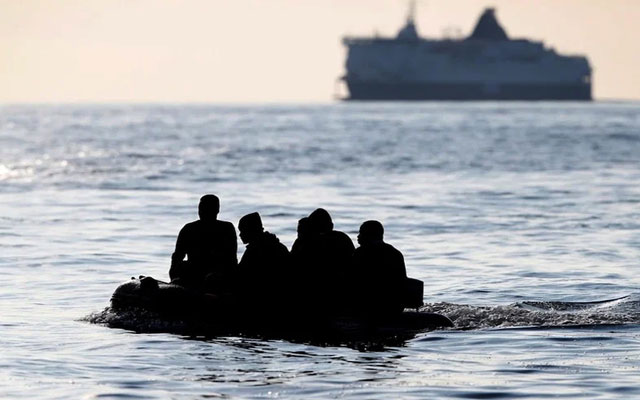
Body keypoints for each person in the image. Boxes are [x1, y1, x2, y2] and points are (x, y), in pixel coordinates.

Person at [169, 194, 237, 290]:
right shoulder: (189, 229)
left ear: (217, 210)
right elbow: (177, 257)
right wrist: (174, 277)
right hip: (194, 274)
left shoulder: (226, 229)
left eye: (207, 209)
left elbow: (231, 259)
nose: (202, 212)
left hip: (217, 276)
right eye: (201, 208)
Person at [351, 220, 407, 317]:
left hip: (369, 306)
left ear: (369, 235)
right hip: (394, 307)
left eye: (361, 233)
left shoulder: (361, 253)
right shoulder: (395, 253)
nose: (358, 236)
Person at [236, 212, 291, 306]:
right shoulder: (277, 246)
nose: (240, 235)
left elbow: (242, 275)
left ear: (251, 230)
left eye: (242, 231)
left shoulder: (254, 251)